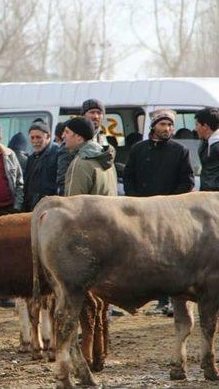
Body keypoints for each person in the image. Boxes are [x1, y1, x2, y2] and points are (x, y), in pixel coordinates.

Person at [124, 109, 194, 316]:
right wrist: (136, 200)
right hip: (142, 212)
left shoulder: (180, 151)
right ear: (154, 126)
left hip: (169, 214)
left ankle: (168, 300)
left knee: (170, 256)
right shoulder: (138, 150)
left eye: (170, 125)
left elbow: (187, 181)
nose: (167, 129)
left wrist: (169, 203)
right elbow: (129, 176)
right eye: (163, 125)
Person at [57, 99, 111, 194]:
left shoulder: (104, 143)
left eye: (99, 113)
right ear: (83, 115)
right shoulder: (70, 145)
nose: (96, 116)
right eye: (92, 112)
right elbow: (64, 179)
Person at [63, 117, 117, 196]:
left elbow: (73, 203)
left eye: (67, 132)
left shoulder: (80, 163)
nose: (63, 136)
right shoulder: (107, 158)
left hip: (88, 208)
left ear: (79, 137)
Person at [22, 121, 59, 212]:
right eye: (32, 138)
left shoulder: (57, 154)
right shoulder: (31, 158)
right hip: (34, 208)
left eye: (38, 137)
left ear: (48, 137)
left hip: (50, 208)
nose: (35, 141)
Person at [195, 107, 219, 191]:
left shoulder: (216, 145)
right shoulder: (205, 142)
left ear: (205, 126)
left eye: (197, 125)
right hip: (207, 196)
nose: (195, 129)